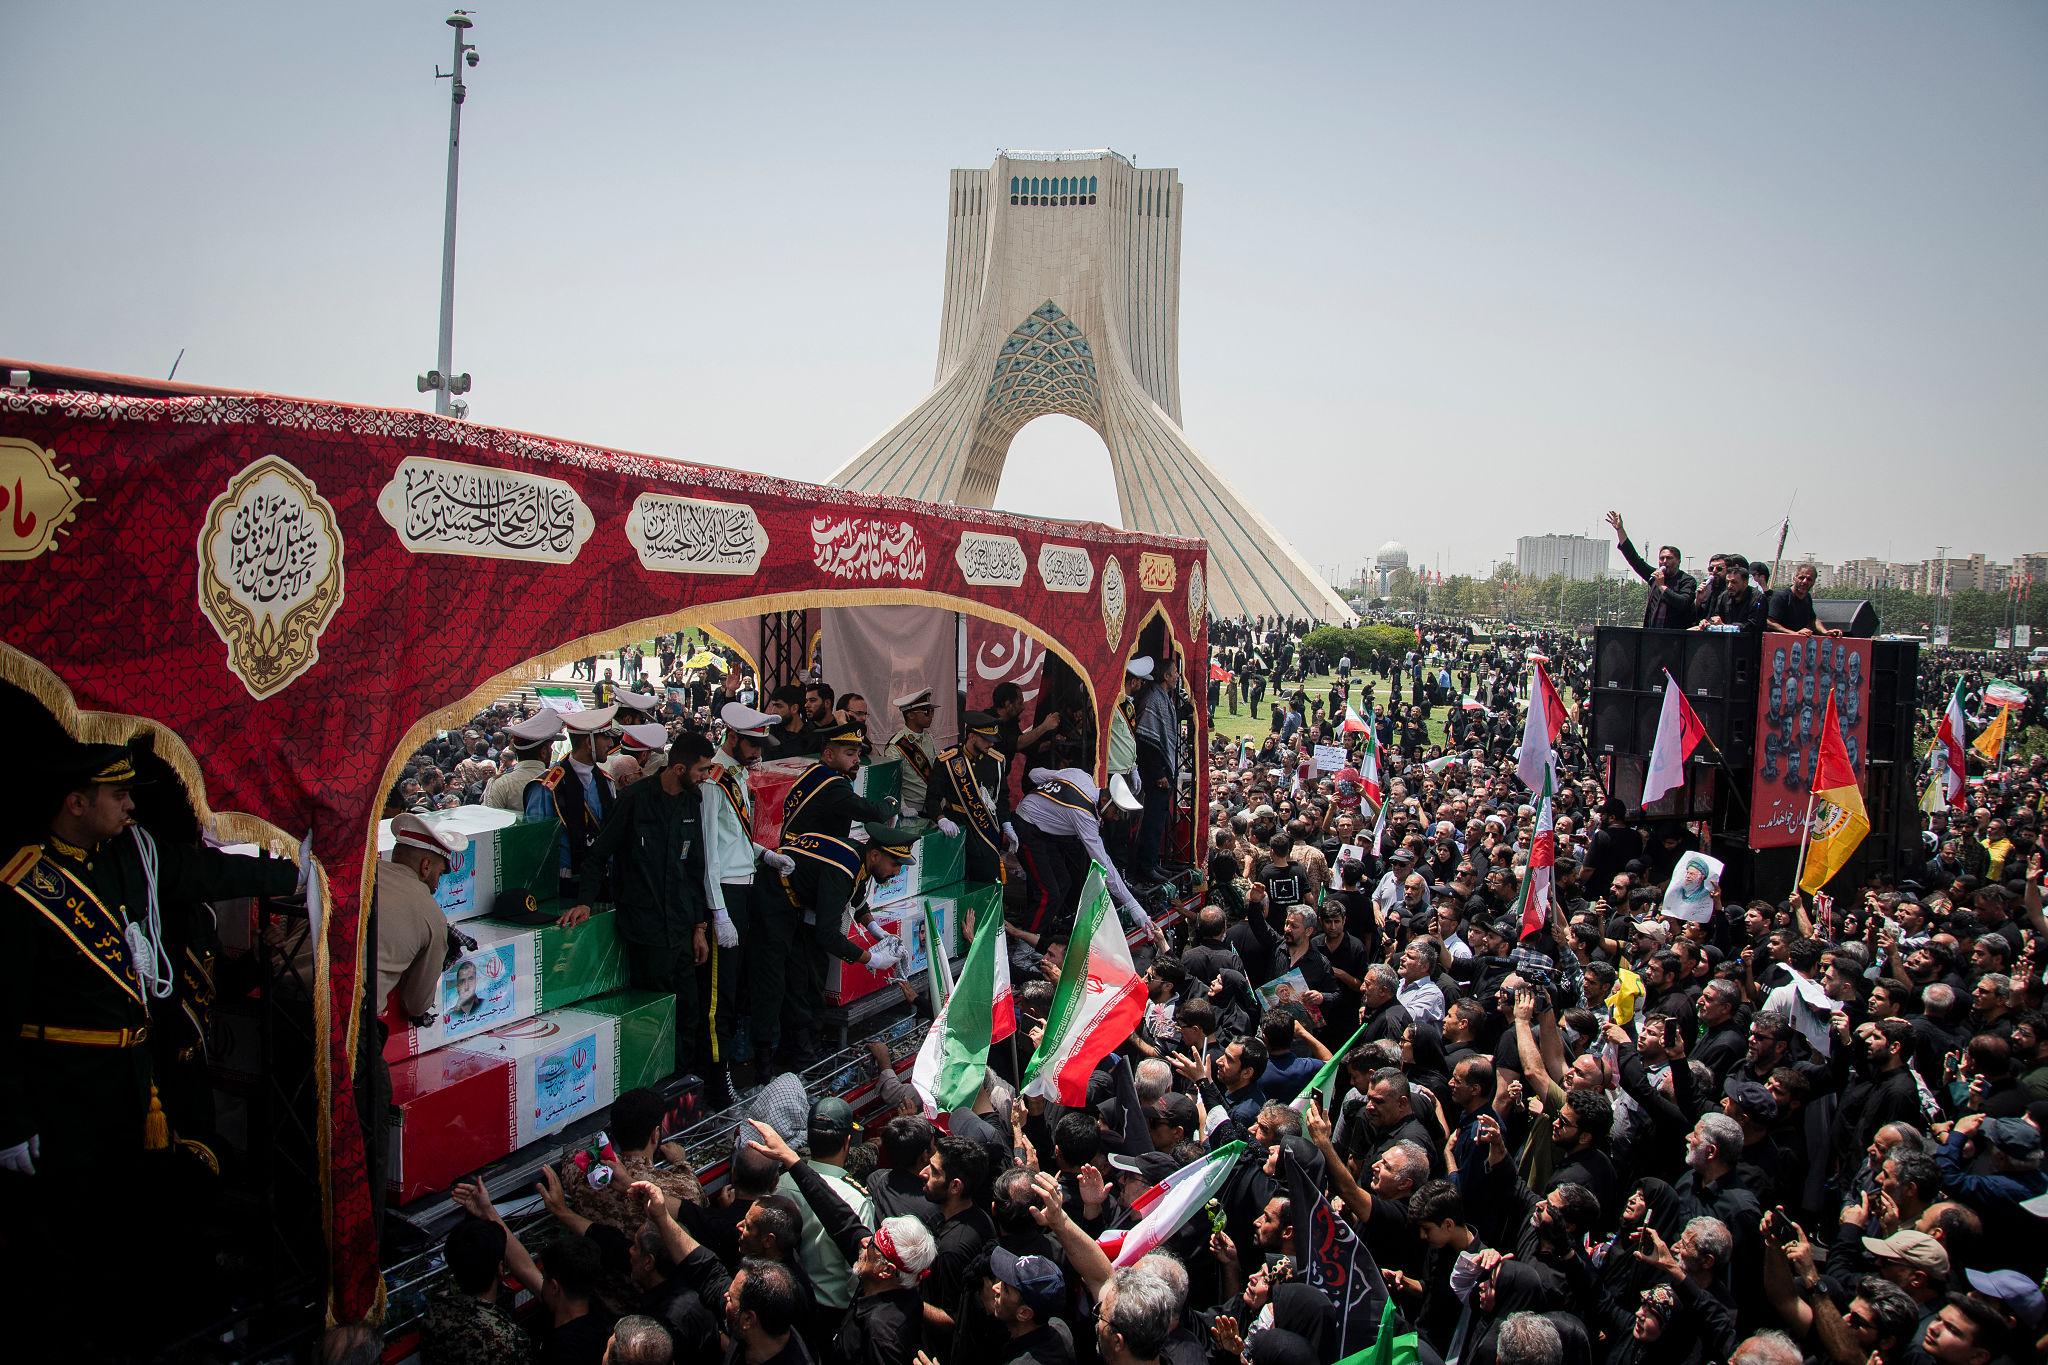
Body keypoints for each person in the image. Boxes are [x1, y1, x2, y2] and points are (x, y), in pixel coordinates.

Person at [559, 732, 722, 1080]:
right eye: (702, 770)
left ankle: (685, 1087)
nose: (706, 777)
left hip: (681, 929)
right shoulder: (634, 800)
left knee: (689, 1012)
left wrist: (699, 928)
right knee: (653, 1017)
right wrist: (585, 902)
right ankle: (656, 1086)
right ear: (679, 768)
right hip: (645, 932)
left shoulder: (694, 803)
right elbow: (598, 855)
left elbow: (695, 869)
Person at [754, 717, 897, 1066]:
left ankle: (798, 1046)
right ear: (828, 753)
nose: (856, 762)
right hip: (804, 880)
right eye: (850, 753)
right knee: (803, 972)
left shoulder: (814, 777)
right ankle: (788, 1054)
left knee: (802, 971)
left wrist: (870, 924)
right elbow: (874, 813)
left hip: (808, 875)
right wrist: (892, 804)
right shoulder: (834, 787)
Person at [702, 702, 794, 1104]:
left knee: (743, 984)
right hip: (725, 893)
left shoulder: (736, 776)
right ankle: (717, 1078)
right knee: (720, 995)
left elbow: (734, 837)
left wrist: (764, 853)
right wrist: (719, 912)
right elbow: (708, 853)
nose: (759, 754)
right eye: (753, 746)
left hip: (747, 884)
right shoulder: (713, 782)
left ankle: (743, 1061)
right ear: (733, 739)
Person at [1012, 766, 1158, 945]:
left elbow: (1034, 774)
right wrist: (1133, 906)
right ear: (1104, 799)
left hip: (1043, 832)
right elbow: (1104, 864)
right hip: (1026, 829)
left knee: (1063, 882)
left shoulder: (1082, 776)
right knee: (1048, 893)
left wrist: (1049, 797)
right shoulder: (1084, 815)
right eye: (1117, 812)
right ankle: (1024, 948)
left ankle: (1040, 933)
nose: (1117, 819)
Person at [537, 705, 621, 899]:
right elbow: (539, 843)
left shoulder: (606, 781)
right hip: (564, 884)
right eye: (605, 737)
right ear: (588, 742)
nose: (610, 743)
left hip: (601, 879)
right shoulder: (548, 785)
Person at [924, 710, 1012, 886]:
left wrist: (1007, 824)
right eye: (987, 739)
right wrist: (941, 819)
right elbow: (932, 799)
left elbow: (1001, 797)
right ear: (972, 736)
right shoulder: (949, 760)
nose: (991, 745)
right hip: (958, 827)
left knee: (987, 878)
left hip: (986, 828)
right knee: (959, 881)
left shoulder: (996, 761)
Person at [1607, 512, 1698, 630]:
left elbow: (1683, 603)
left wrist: (1662, 586)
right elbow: (1634, 559)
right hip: (1652, 634)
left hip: (1675, 637)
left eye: (1669, 558)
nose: (1664, 561)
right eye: (1661, 558)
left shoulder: (1687, 581)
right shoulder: (1654, 576)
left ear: (1678, 561)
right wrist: (1620, 530)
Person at [485, 709, 564, 811]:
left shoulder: (500, 784)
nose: (552, 751)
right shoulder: (555, 780)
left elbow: (491, 821)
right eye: (550, 748)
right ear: (543, 752)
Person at [886, 689, 941, 817]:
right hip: (912, 811)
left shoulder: (929, 738)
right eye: (927, 712)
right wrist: (903, 807)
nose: (931, 716)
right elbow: (893, 782)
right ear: (910, 715)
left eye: (932, 711)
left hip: (932, 807)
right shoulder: (896, 745)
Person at [1765, 563, 1840, 638]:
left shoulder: (1807, 598)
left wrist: (1825, 632)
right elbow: (1769, 622)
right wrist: (1794, 633)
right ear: (1794, 578)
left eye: (1809, 579)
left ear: (1813, 582)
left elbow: (1813, 619)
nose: (1805, 581)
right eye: (1801, 578)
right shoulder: (1781, 597)